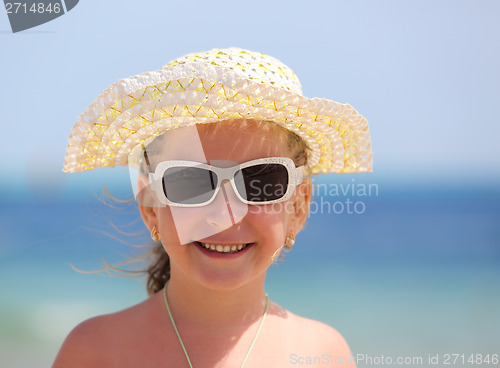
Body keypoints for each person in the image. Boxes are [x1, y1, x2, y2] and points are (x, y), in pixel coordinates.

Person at [53, 47, 372, 367]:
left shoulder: (323, 354)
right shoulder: (95, 351)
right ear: (151, 207)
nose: (224, 215)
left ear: (299, 206)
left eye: (259, 180)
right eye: (190, 181)